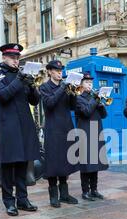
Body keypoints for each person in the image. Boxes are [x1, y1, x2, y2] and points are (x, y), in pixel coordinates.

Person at [0, 43, 40, 216]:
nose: (16, 61)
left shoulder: (22, 75)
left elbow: (35, 101)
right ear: (4, 57)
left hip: (24, 125)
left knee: (22, 164)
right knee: (8, 167)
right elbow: (2, 96)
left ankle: (23, 199)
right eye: (12, 57)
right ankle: (9, 202)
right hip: (8, 127)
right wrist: (19, 80)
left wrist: (32, 86)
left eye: (18, 58)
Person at [39, 60, 79, 208]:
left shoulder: (65, 87)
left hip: (66, 128)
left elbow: (73, 107)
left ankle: (64, 194)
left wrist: (73, 92)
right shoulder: (44, 87)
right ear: (49, 71)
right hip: (53, 129)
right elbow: (49, 103)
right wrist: (62, 87)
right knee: (53, 163)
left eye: (61, 70)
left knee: (65, 161)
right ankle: (53, 196)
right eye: (56, 70)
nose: (59, 73)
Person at [75, 72, 109, 200]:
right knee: (85, 164)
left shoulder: (95, 98)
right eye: (87, 82)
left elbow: (104, 115)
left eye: (91, 82)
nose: (90, 84)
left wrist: (101, 105)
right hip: (85, 133)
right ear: (81, 84)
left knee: (95, 163)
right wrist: (96, 100)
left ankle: (94, 189)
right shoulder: (79, 98)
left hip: (96, 132)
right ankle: (85, 191)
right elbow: (86, 112)